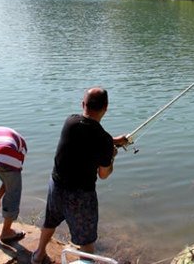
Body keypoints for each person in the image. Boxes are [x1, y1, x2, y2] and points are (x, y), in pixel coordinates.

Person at [31, 87, 128, 263]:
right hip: (81, 195)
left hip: (56, 187)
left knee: (50, 222)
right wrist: (112, 156)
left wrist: (113, 141)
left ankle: (38, 255)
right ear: (106, 107)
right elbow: (104, 174)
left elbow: (88, 135)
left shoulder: (70, 122)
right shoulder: (103, 139)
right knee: (87, 240)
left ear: (83, 104)